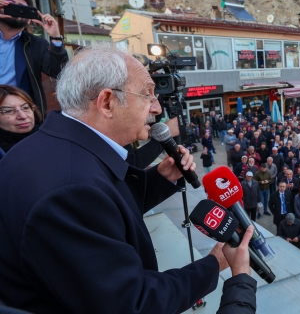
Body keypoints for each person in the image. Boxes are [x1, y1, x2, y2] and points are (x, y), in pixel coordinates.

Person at [0, 44, 256, 313]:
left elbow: (104, 212)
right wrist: (213, 264)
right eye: (147, 94)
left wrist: (162, 178)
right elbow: (132, 303)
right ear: (107, 102)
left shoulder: (55, 149)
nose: (156, 108)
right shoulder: (70, 190)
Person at [0, 0, 69, 115]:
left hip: (20, 115)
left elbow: (59, 72)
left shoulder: (36, 44)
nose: (16, 10)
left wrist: (55, 37)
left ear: (30, 18)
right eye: (9, 4)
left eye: (22, 8)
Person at [0, 85, 42, 158]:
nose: (23, 116)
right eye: (8, 111)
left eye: (25, 107)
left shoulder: (53, 134)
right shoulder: (4, 156)